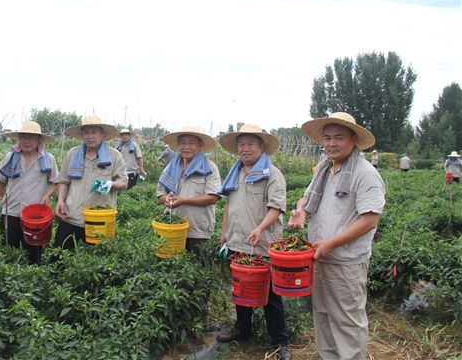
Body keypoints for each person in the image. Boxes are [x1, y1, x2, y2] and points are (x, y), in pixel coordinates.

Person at [288, 112, 385, 360]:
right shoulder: (324, 168)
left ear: (353, 140)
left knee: (347, 320)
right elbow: (307, 198)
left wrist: (332, 243)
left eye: (339, 137)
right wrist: (301, 211)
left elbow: (369, 221)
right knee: (322, 313)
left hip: (345, 261)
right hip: (319, 256)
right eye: (327, 137)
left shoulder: (365, 173)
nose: (331, 143)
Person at [216, 124, 291, 360]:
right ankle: (242, 328)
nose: (245, 149)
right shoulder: (235, 172)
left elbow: (276, 208)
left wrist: (259, 228)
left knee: (270, 295)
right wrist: (224, 231)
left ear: (261, 147)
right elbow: (229, 203)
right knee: (241, 287)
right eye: (241, 145)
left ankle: (280, 343)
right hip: (238, 242)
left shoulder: (273, 173)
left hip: (263, 245)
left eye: (250, 144)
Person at [0, 121, 59, 264]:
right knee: (8, 254)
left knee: (34, 255)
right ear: (18, 139)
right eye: (23, 137)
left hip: (35, 216)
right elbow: (1, 182)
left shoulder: (48, 159)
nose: (27, 141)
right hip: (11, 213)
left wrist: (47, 195)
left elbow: (56, 181)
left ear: (39, 140)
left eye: (31, 137)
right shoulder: (10, 157)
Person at [54, 116, 128, 250]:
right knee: (58, 256)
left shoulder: (114, 156)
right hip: (72, 215)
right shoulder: (73, 154)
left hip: (99, 218)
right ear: (82, 135)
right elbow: (64, 181)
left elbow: (123, 182)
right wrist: (60, 200)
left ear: (102, 134)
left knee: (97, 262)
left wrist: (110, 184)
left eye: (94, 132)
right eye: (86, 132)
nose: (90, 136)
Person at [156, 126, 221, 260]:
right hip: (173, 228)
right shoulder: (170, 167)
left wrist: (184, 201)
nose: (186, 147)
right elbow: (161, 193)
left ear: (199, 144)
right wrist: (165, 199)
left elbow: (212, 198)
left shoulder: (210, 168)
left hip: (198, 231)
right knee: (172, 267)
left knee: (198, 269)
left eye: (191, 142)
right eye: (183, 142)